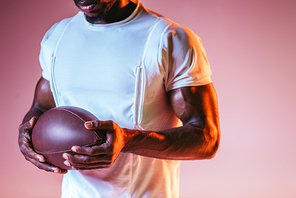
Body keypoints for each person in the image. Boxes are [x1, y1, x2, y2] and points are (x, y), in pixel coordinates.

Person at [18, 0, 220, 197]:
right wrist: (29, 137)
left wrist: (128, 140)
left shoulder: (169, 38)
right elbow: (41, 107)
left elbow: (206, 138)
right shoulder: (58, 36)